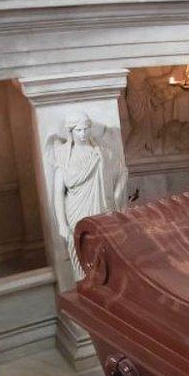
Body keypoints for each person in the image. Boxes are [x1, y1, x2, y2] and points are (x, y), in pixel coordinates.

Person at [48, 112, 126, 280]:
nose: (82, 134)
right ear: (71, 132)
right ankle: (86, 283)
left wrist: (116, 198)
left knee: (104, 247)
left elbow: (121, 172)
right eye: (78, 130)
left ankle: (106, 282)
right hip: (77, 209)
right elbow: (58, 194)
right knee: (82, 249)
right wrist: (62, 224)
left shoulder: (100, 152)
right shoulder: (64, 155)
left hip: (101, 206)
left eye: (85, 129)